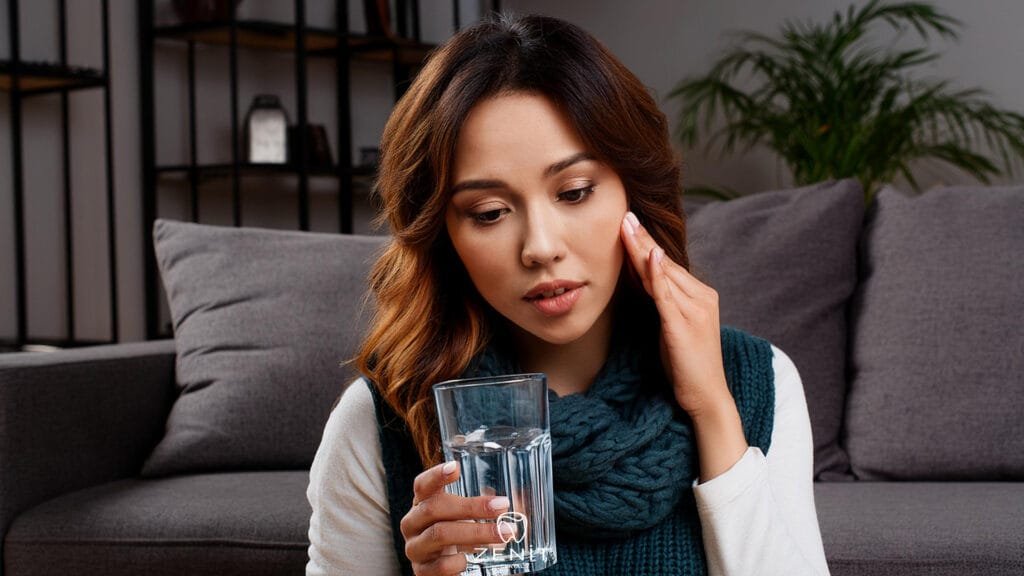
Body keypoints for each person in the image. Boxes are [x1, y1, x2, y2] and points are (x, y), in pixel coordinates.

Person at [306, 11, 830, 576]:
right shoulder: (380, 418)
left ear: (633, 191)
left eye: (575, 192)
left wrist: (712, 406)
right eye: (489, 212)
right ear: (444, 235)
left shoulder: (760, 380)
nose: (540, 246)